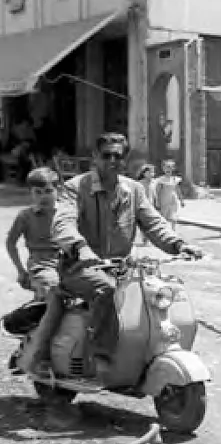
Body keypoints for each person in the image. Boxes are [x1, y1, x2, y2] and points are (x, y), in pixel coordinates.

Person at [38, 133, 203, 373]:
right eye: (107, 155)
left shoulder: (134, 190)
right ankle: (101, 354)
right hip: (80, 267)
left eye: (119, 156)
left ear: (125, 160)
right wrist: (80, 248)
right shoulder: (76, 188)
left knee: (162, 291)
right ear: (95, 157)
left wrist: (179, 245)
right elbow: (62, 224)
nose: (113, 161)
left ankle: (146, 351)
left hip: (124, 267)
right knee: (106, 289)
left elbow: (154, 223)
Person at [6, 167, 61, 301]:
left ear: (58, 191)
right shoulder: (25, 216)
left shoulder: (67, 213)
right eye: (38, 192)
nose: (43, 197)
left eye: (48, 191)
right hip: (41, 265)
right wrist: (20, 270)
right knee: (52, 287)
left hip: (67, 262)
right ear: (31, 193)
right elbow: (10, 242)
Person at [152, 159, 185, 229]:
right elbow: (157, 191)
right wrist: (157, 201)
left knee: (173, 216)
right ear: (163, 169)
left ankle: (173, 229)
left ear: (172, 169)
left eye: (170, 167)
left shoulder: (174, 179)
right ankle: (164, 229)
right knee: (164, 217)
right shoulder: (161, 180)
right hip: (164, 200)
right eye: (166, 167)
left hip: (173, 199)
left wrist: (181, 200)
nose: (168, 169)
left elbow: (178, 190)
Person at [135, 164, 156, 245]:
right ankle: (144, 238)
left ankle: (148, 238)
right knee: (143, 223)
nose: (151, 174)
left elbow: (154, 194)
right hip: (142, 205)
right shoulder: (140, 183)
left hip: (151, 205)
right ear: (144, 173)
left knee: (150, 223)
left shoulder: (154, 182)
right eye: (149, 172)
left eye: (152, 172)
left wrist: (156, 203)